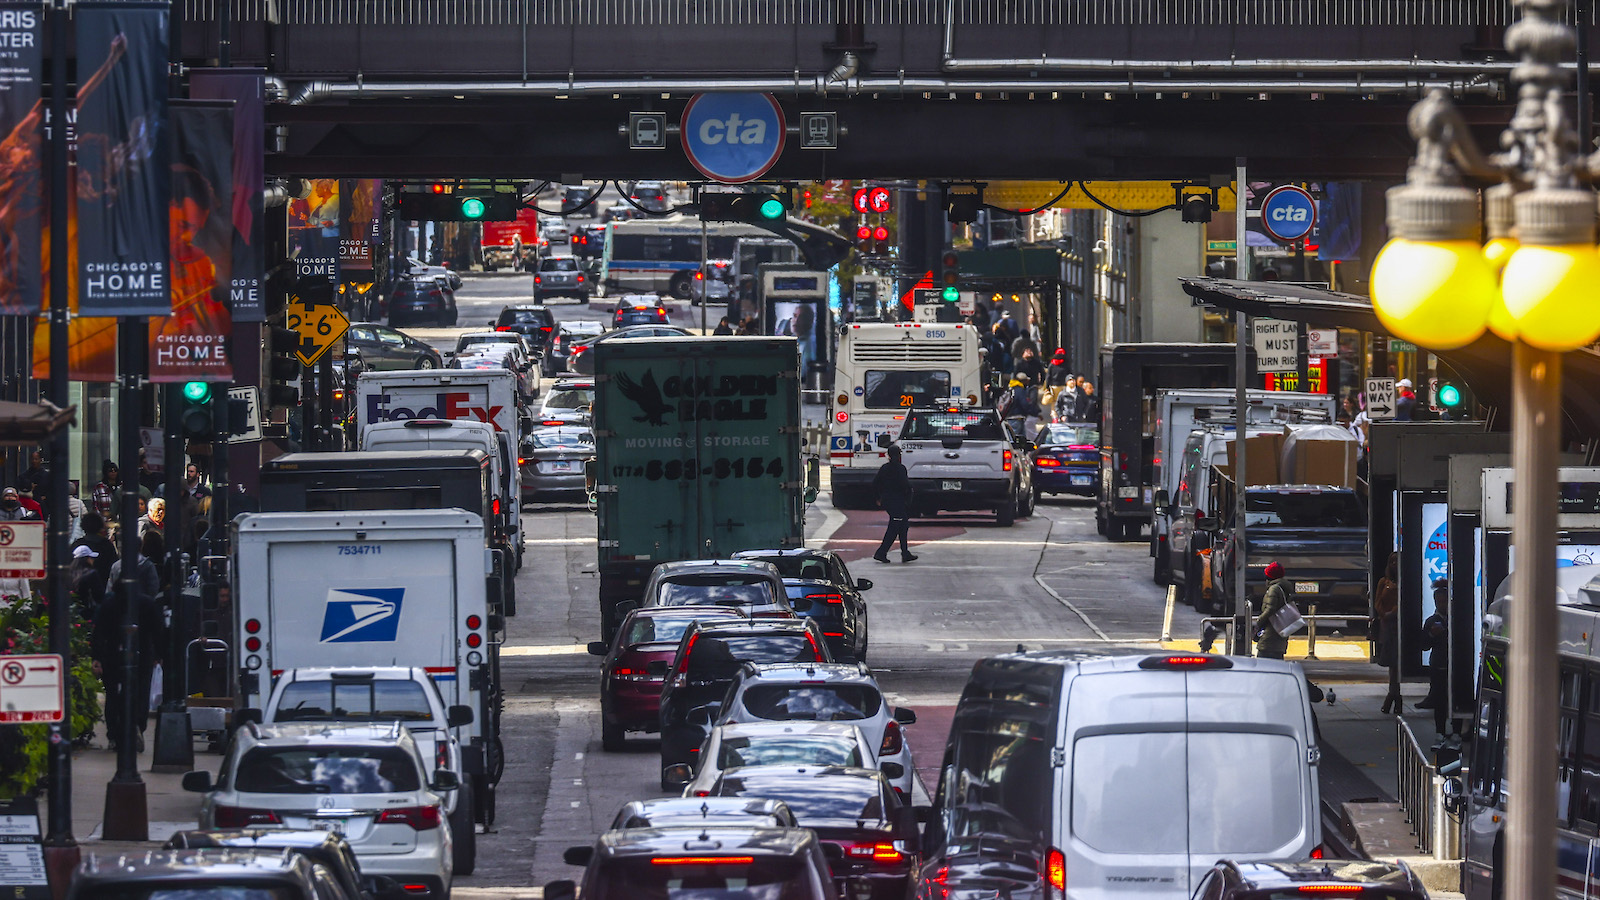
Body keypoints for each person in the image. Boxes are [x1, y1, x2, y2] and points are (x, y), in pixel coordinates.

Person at [95, 529, 165, 753]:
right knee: (141, 691)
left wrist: (97, 656)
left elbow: (100, 631)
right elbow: (157, 628)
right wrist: (159, 654)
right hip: (141, 651)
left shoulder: (111, 599)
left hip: (113, 653)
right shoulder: (146, 601)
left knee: (114, 694)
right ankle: (137, 725)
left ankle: (115, 733)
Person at [871, 445, 917, 564]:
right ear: (899, 455)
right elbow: (904, 484)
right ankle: (881, 552)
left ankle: (905, 553)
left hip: (888, 500)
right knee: (895, 526)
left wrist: (878, 497)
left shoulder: (884, 468)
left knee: (903, 525)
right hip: (897, 501)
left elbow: (875, 483)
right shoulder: (901, 468)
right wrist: (909, 495)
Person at [1374, 553, 1402, 714]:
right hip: (1387, 626)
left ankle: (1393, 697)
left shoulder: (1404, 581)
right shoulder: (1383, 582)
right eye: (1391, 561)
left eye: (1397, 562)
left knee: (1397, 664)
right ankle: (1395, 696)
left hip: (1399, 625)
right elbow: (1378, 601)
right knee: (1391, 663)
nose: (1394, 564)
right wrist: (1384, 613)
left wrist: (1394, 611)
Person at [1254, 561, 1292, 660]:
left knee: (1263, 663)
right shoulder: (1284, 588)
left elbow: (1270, 609)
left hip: (1270, 634)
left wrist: (1259, 621)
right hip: (1280, 632)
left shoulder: (1274, 589)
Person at [71, 511, 118, 591]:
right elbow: (114, 566)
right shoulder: (106, 545)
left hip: (77, 588)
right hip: (102, 586)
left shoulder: (76, 544)